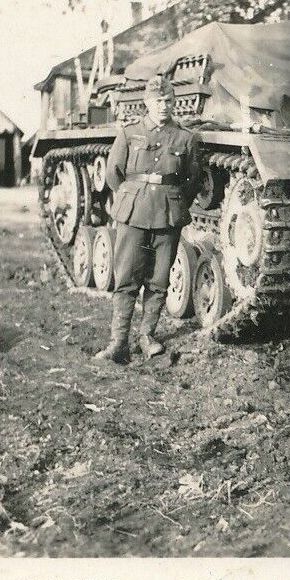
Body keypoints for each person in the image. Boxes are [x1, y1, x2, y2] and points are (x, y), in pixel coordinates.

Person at [94, 76, 202, 364]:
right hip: (133, 212)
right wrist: (133, 196)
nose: (164, 106)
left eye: (168, 101)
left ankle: (147, 336)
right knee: (127, 278)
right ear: (147, 102)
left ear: (174, 102)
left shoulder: (185, 138)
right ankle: (118, 343)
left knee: (158, 280)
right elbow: (113, 174)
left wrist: (173, 202)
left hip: (168, 214)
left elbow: (192, 181)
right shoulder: (129, 134)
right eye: (158, 101)